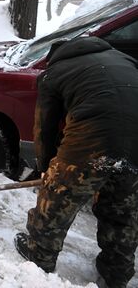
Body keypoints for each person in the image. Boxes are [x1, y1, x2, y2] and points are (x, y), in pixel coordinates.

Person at [14, 37, 138, 288]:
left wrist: (48, 169)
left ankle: (40, 254)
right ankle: (117, 272)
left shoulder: (55, 72)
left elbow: (45, 127)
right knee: (121, 211)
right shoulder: (125, 60)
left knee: (58, 200)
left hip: (91, 139)